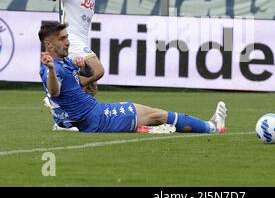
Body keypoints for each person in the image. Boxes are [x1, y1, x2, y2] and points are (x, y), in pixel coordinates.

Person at [38, 21, 228, 134]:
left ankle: (150, 128)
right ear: (49, 44)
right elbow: (54, 92)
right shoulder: (51, 68)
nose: (67, 42)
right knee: (157, 115)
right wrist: (52, 70)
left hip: (90, 115)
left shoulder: (64, 62)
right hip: (96, 119)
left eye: (66, 37)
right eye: (61, 39)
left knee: (153, 116)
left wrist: (84, 66)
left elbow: (88, 80)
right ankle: (212, 127)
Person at [43, 0, 104, 97]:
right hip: (71, 39)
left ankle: (66, 116)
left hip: (81, 42)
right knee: (98, 71)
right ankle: (60, 92)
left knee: (90, 90)